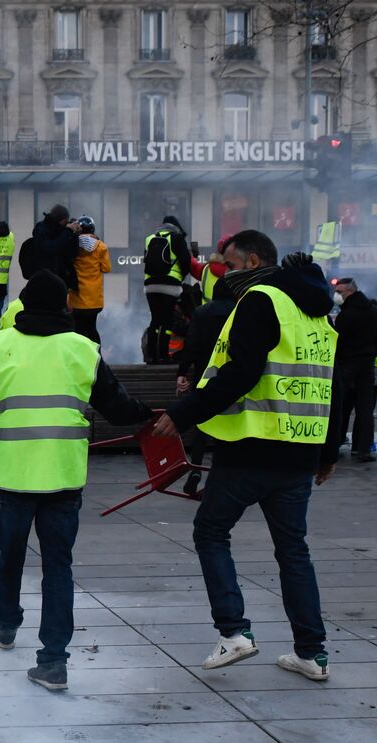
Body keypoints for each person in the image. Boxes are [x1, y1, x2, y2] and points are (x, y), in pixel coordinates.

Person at [153, 232, 341, 682]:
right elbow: (329, 386)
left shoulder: (261, 300)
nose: (224, 274)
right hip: (299, 452)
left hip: (253, 448)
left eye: (230, 265)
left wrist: (182, 415)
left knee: (211, 532)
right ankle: (311, 653)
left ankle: (234, 632)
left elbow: (240, 372)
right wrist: (328, 452)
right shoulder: (317, 313)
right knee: (294, 551)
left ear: (253, 260)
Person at [0, 271, 152, 691]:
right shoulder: (83, 349)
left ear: (23, 305)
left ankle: (7, 624)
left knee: (10, 556)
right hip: (63, 477)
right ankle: (53, 663)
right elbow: (118, 407)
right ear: (65, 307)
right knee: (58, 568)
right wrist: (152, 415)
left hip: (12, 476)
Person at [173, 273, 237, 494]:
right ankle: (220, 476)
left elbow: (191, 344)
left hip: (204, 374)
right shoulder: (240, 312)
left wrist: (182, 373)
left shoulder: (202, 312)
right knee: (228, 426)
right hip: (232, 375)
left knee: (201, 425)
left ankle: (196, 469)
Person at [327, 277, 377, 463]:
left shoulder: (346, 315)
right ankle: (363, 449)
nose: (337, 295)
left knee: (340, 405)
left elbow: (337, 342)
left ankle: (334, 444)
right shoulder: (373, 311)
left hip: (347, 364)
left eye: (340, 292)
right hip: (367, 364)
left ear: (351, 291)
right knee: (365, 408)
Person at [142, 215, 193, 364]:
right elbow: (186, 261)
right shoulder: (177, 238)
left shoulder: (149, 238)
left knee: (155, 320)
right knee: (167, 322)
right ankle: (164, 355)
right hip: (170, 284)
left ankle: (151, 356)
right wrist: (181, 277)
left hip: (150, 285)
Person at [67, 215, 110, 344]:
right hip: (94, 299)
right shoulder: (101, 247)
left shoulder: (73, 245)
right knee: (92, 329)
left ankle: (79, 359)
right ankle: (97, 358)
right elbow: (107, 268)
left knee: (78, 330)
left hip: (77, 297)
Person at [29, 204, 81, 289]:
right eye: (65, 220)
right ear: (58, 219)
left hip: (61, 280)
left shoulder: (63, 231)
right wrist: (68, 231)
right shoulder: (41, 229)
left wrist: (75, 235)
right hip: (45, 280)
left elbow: (73, 253)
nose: (66, 223)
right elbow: (52, 248)